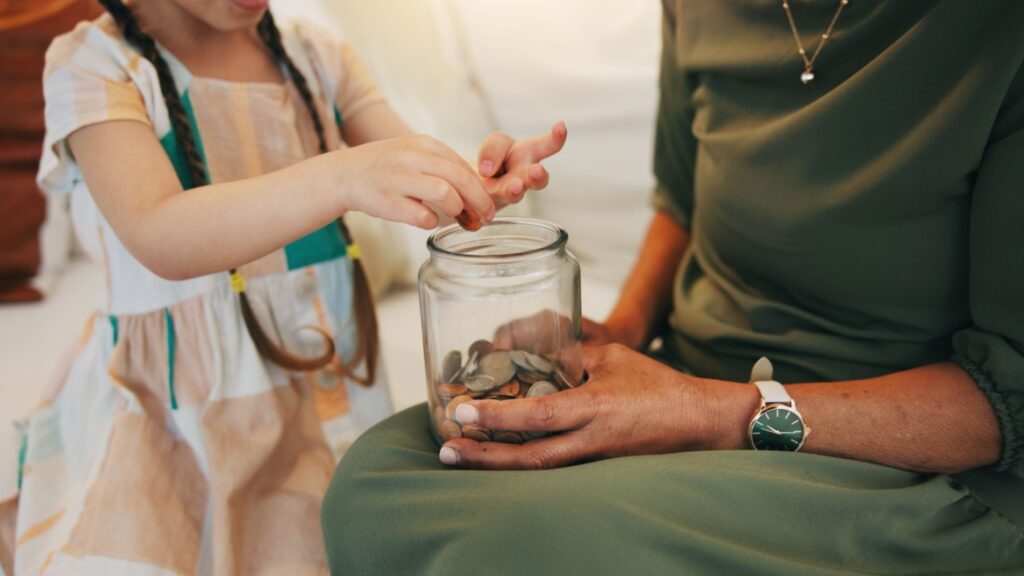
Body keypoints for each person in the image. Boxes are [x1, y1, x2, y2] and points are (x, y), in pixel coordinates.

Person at [321, 1, 1024, 574]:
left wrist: (701, 412)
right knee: (376, 489)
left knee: (520, 541)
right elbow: (681, 201)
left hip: (892, 451)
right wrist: (623, 329)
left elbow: (1010, 398)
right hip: (690, 373)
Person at [3, 0, 566, 573]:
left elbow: (412, 172)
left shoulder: (316, 55)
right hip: (174, 427)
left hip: (321, 408)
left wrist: (477, 184)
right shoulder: (96, 66)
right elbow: (157, 231)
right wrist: (344, 175)